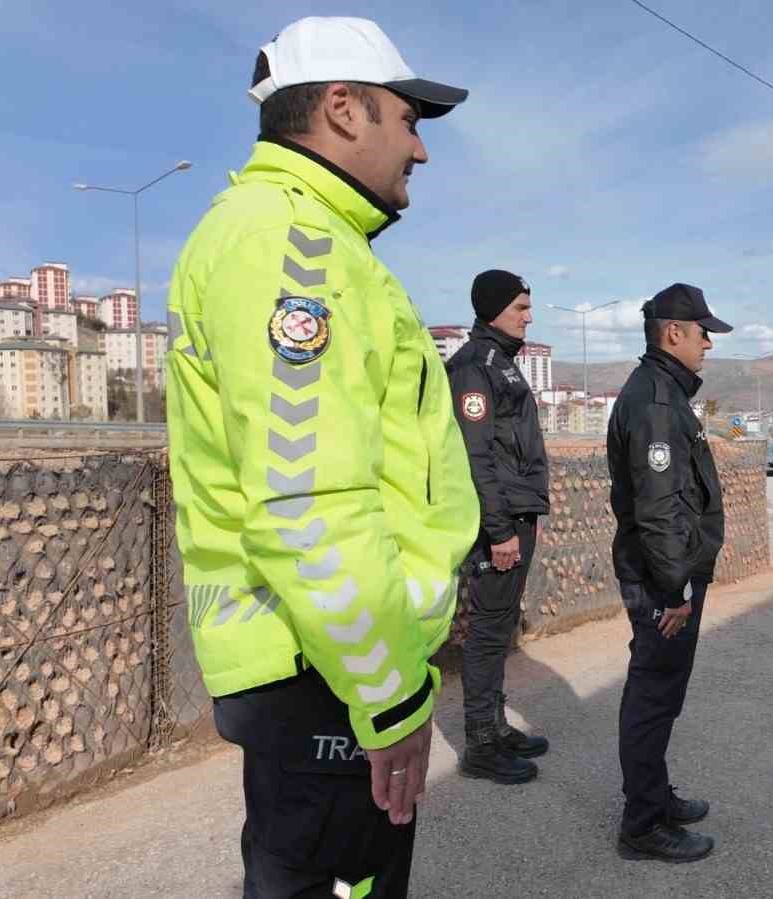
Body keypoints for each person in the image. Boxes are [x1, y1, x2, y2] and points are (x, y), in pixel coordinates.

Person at [164, 17, 476, 896]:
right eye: (408, 119)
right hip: (327, 672)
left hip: (324, 664)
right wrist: (388, 699)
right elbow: (307, 500)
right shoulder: (292, 247)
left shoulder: (299, 236)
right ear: (342, 108)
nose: (420, 149)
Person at [606, 283, 732, 862]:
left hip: (668, 571)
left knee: (662, 691)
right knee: (653, 695)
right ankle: (643, 824)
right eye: (702, 330)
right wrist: (674, 588)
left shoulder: (665, 393)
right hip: (664, 578)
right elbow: (658, 510)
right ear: (672, 332)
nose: (709, 341)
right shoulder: (657, 402)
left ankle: (654, 795)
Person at [446, 269, 551, 784]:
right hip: (501, 520)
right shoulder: (474, 367)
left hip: (516, 511)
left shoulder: (501, 363)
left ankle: (496, 724)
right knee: (487, 631)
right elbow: (476, 455)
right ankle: (480, 744)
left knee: (500, 625)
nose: (529, 317)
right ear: (492, 310)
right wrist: (499, 529)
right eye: (520, 308)